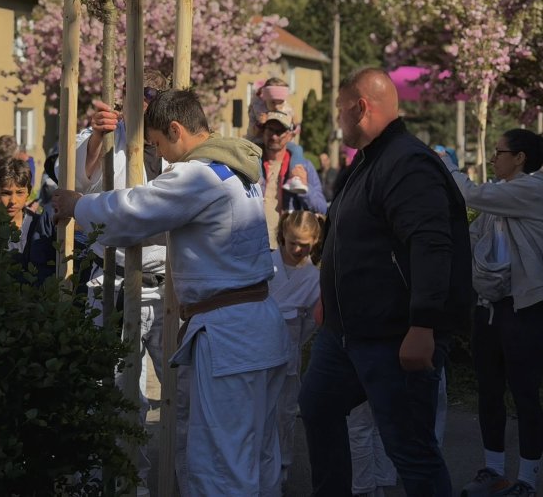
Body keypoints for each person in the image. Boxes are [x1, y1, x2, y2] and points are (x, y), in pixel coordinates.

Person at [52, 88, 289, 497]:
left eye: (159, 143)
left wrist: (78, 206)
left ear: (176, 129)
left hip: (230, 335)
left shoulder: (199, 175)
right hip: (257, 325)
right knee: (258, 458)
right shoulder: (236, 168)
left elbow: (135, 210)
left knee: (221, 466)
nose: (160, 155)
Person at [298, 67, 472, 497]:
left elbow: (431, 245)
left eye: (340, 109)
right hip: (346, 333)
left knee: (409, 447)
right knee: (318, 406)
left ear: (360, 108)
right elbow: (348, 238)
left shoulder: (407, 163)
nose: (337, 119)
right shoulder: (368, 161)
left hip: (393, 336)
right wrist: (328, 298)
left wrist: (423, 325)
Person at [442, 130, 543, 497]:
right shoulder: (504, 194)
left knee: (525, 394)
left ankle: (527, 479)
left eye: (499, 152)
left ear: (520, 157)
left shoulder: (532, 189)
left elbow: (471, 194)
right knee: (489, 391)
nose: (494, 158)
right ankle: (493, 470)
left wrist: (448, 166)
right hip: (490, 307)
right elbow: (472, 235)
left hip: (526, 308)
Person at [70, 69, 170, 493]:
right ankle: (129, 483)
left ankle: (181, 479)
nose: (140, 104)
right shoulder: (103, 137)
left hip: (165, 288)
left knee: (181, 393)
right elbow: (79, 182)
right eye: (133, 95)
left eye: (149, 96)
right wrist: (96, 140)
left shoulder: (177, 145)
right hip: (113, 283)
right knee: (121, 396)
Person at [269, 210, 322, 488]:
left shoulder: (314, 278)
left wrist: (294, 341)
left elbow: (312, 321)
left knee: (285, 412)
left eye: (304, 244)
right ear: (282, 236)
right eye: (292, 243)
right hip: (259, 344)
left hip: (289, 348)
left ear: (315, 241)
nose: (297, 249)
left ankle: (282, 466)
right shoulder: (267, 264)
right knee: (257, 410)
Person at [259, 110, 327, 247]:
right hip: (256, 242)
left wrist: (304, 187)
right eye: (270, 129)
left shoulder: (303, 166)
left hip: (286, 245)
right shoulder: (251, 164)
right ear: (263, 131)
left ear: (290, 135)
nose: (274, 136)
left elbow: (321, 208)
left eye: (279, 131)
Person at [0, 157, 56, 284]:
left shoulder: (40, 227)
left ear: (28, 192)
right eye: (6, 193)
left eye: (19, 192)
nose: (13, 201)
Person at [247, 77, 309, 194]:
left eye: (280, 102)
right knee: (256, 153)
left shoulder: (287, 108)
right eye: (273, 102)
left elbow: (295, 131)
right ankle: (258, 181)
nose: (277, 106)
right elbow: (252, 132)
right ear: (266, 98)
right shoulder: (257, 108)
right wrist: (260, 123)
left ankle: (295, 178)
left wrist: (295, 126)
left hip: (282, 142)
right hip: (258, 140)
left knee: (297, 149)